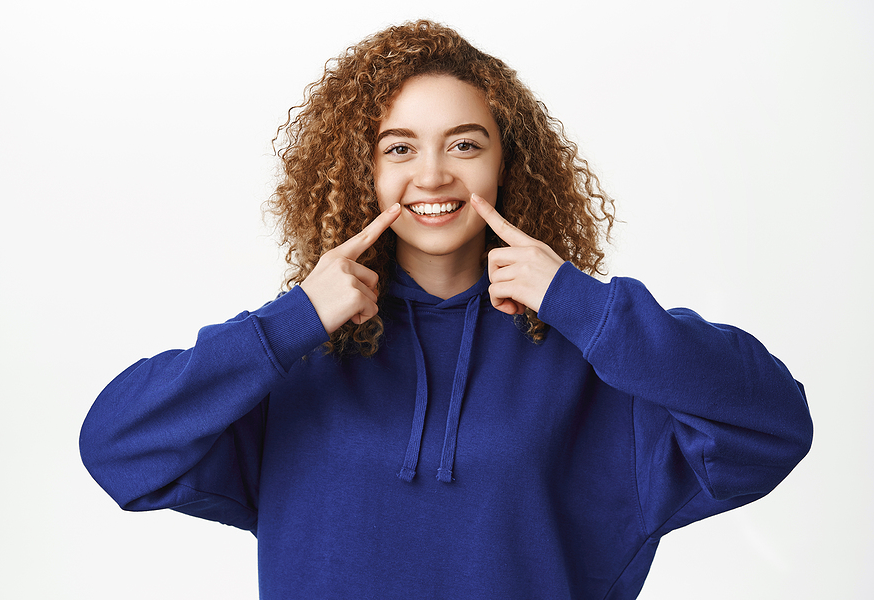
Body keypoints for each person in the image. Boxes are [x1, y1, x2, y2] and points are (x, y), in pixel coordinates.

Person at [80, 20, 813, 600]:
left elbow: (773, 425)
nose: (432, 174)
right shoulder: (300, 352)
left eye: (465, 143)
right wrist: (291, 320)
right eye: (398, 148)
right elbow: (118, 448)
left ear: (508, 162)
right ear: (360, 171)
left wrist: (580, 305)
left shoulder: (588, 350)